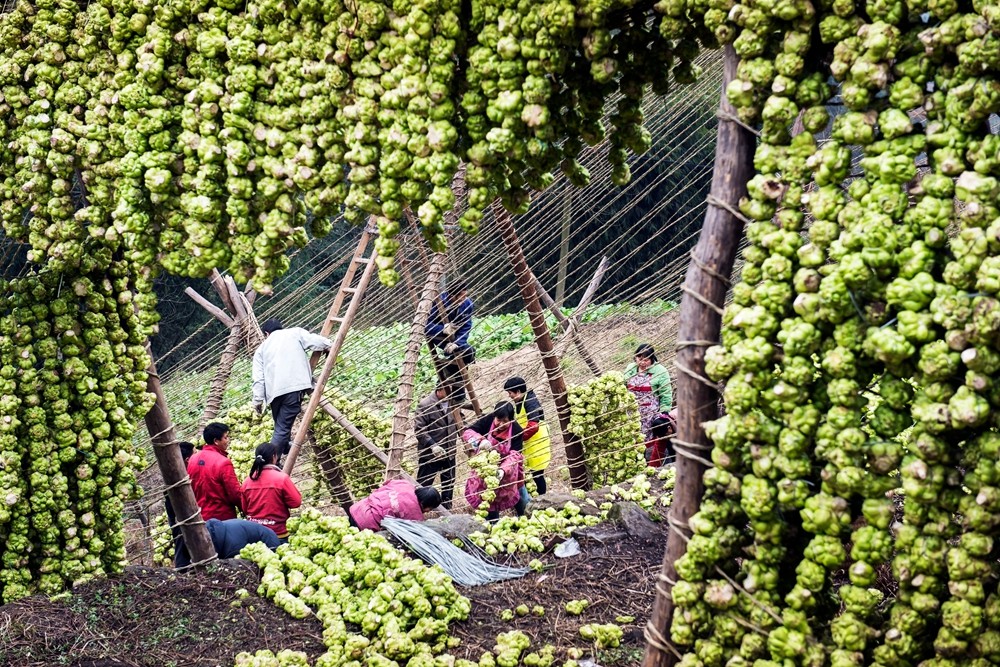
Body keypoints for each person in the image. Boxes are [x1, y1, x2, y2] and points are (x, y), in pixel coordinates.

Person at [251, 319, 333, 456]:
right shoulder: (294, 333)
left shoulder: (261, 349)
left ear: (266, 333)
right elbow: (316, 341)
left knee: (280, 426)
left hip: (274, 394)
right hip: (294, 388)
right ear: (281, 328)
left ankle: (285, 448)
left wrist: (258, 401)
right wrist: (328, 345)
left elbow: (258, 379)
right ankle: (273, 462)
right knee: (282, 429)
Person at [462, 401, 526, 521]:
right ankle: (492, 524)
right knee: (488, 500)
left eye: (505, 421)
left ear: (511, 420)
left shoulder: (516, 430)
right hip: (487, 470)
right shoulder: (488, 420)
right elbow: (467, 432)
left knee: (517, 496)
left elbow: (515, 455)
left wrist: (503, 470)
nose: (501, 424)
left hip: (507, 471)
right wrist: (480, 440)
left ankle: (524, 517)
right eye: (498, 420)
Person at [241, 442, 303, 542]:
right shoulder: (281, 478)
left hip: (254, 533)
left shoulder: (248, 481)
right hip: (278, 533)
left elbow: (245, 508)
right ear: (274, 457)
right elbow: (296, 502)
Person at [424, 281, 474, 402]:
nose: (464, 298)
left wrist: (457, 343)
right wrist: (442, 329)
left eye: (465, 295)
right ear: (452, 296)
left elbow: (466, 325)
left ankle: (447, 372)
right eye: (461, 296)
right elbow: (425, 325)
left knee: (468, 353)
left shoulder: (467, 304)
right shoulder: (438, 302)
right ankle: (459, 396)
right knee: (461, 358)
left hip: (456, 340)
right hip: (440, 338)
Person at [504, 377, 551, 496]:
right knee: (527, 472)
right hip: (529, 442)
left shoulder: (530, 401)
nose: (509, 396)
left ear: (518, 391)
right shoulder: (520, 401)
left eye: (510, 393)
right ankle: (531, 498)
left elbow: (533, 426)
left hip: (537, 441)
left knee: (537, 473)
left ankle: (543, 498)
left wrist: (518, 438)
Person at [414, 383, 459, 509]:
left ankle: (447, 508)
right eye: (448, 390)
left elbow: (461, 422)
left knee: (449, 483)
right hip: (430, 455)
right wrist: (432, 445)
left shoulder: (453, 403)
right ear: (440, 389)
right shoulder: (425, 405)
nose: (451, 393)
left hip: (449, 452)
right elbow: (419, 429)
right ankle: (417, 508)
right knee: (424, 484)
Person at [187, 422, 243, 522]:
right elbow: (235, 494)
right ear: (216, 441)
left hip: (200, 516)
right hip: (222, 517)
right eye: (226, 437)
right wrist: (244, 509)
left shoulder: (192, 459)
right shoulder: (223, 463)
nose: (228, 440)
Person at [175, 517, 280, 568]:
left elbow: (238, 568)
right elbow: (182, 563)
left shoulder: (233, 547)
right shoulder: (198, 534)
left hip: (268, 541)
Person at [348, 480, 442, 531]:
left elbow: (386, 483)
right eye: (429, 509)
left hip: (357, 508)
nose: (427, 512)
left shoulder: (405, 484)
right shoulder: (415, 514)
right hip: (365, 523)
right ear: (424, 504)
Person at [624, 343, 673, 441]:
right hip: (632, 410)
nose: (642, 362)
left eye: (646, 360)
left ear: (652, 359)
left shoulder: (660, 371)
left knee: (648, 437)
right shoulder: (631, 368)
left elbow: (666, 393)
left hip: (650, 412)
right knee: (632, 436)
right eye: (639, 359)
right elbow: (623, 384)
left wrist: (664, 412)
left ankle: (652, 454)